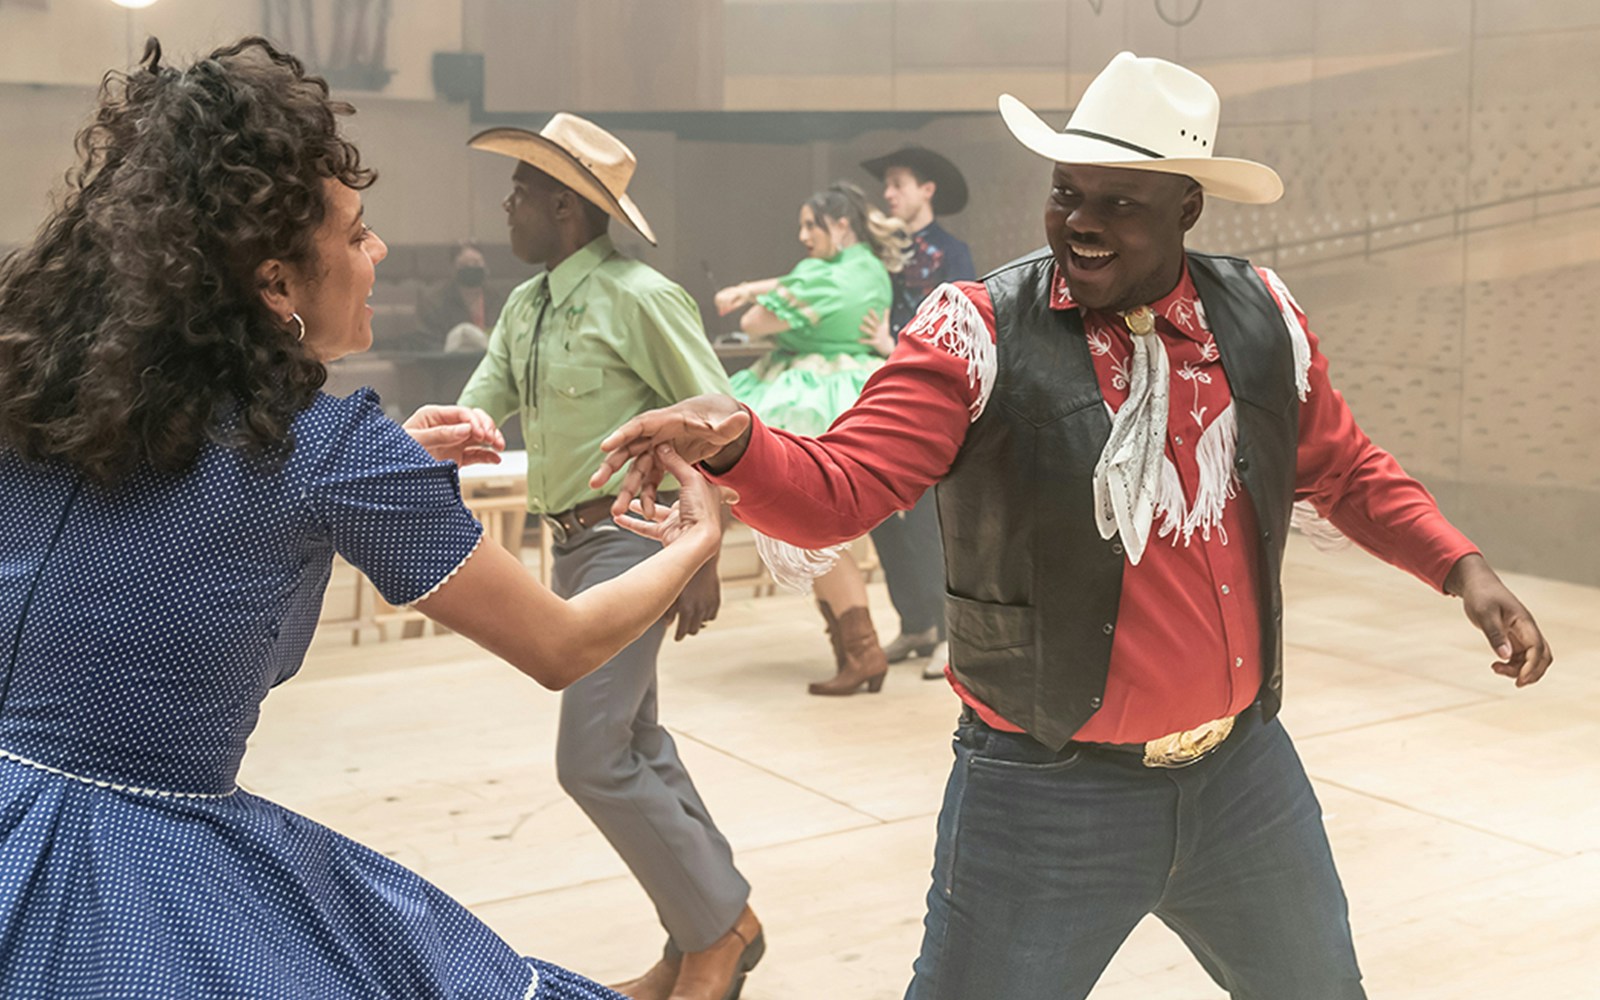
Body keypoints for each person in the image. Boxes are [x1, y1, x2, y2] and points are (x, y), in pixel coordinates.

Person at [592, 51, 1554, 1000]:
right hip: (1044, 797)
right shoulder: (975, 332)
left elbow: (1342, 467)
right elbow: (846, 483)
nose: (1081, 225)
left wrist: (1459, 565)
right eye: (1066, 195)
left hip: (1245, 780)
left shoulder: (1259, 319)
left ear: (1188, 208)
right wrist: (735, 446)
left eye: (1120, 203)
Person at [0, 37, 727, 1000]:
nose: (377, 251)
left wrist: (379, 477)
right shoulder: (332, 447)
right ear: (276, 285)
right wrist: (700, 539)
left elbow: (173, 525)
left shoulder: (47, 393)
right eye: (355, 236)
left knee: (622, 750)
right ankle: (717, 930)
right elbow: (558, 645)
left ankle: (712, 927)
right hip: (130, 873)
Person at [458, 116, 760, 1000]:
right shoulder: (529, 305)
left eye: (520, 192)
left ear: (564, 207)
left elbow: (719, 418)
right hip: (568, 547)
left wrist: (703, 554)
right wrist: (457, 433)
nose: (506, 206)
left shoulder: (639, 295)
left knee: (590, 757)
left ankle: (719, 936)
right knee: (634, 740)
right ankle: (702, 931)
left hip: (634, 543)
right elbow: (483, 404)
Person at [712, 181, 908, 697]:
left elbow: (756, 324)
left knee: (814, 524)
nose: (802, 236)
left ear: (839, 224)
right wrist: (761, 288)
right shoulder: (871, 271)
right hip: (861, 393)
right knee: (825, 526)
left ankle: (861, 652)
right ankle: (856, 651)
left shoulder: (822, 275)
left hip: (809, 397)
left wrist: (762, 305)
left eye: (810, 225)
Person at [859, 146, 977, 678]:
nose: (889, 194)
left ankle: (950, 635)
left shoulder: (953, 253)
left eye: (899, 183)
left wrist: (893, 344)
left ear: (927, 190)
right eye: (886, 184)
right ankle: (916, 622)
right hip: (878, 394)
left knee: (930, 521)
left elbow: (962, 327)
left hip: (932, 404)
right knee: (882, 514)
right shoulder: (879, 253)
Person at [412, 239, 505, 352]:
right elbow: (427, 342)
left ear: (485, 266)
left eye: (476, 263)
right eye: (464, 265)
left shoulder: (498, 299)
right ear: (453, 269)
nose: (471, 268)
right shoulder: (433, 303)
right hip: (451, 364)